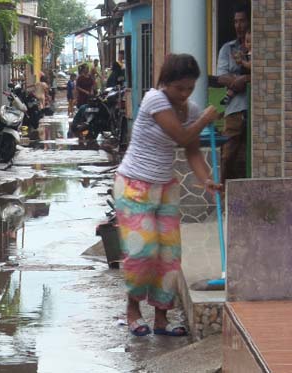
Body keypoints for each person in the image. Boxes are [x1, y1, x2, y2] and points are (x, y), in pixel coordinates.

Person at [115, 54, 222, 337]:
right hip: (134, 185)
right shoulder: (155, 100)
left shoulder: (192, 109)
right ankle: (133, 309)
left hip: (165, 187)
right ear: (166, 83)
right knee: (142, 251)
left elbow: (192, 151)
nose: (185, 94)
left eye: (190, 88)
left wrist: (206, 180)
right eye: (180, 88)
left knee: (169, 256)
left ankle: (161, 318)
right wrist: (206, 119)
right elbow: (183, 138)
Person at [217, 5, 250, 183]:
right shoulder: (227, 49)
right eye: (235, 22)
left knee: (251, 155)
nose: (238, 25)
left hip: (254, 108)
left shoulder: (256, 46)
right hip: (234, 109)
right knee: (228, 155)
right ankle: (222, 194)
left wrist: (244, 78)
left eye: (242, 21)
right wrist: (241, 80)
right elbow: (221, 78)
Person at [221, 28, 251, 106]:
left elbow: (251, 65)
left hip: (247, 73)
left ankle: (229, 96)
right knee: (234, 84)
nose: (249, 44)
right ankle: (228, 96)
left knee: (239, 82)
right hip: (242, 73)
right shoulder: (247, 52)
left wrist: (242, 62)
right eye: (247, 42)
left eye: (251, 42)